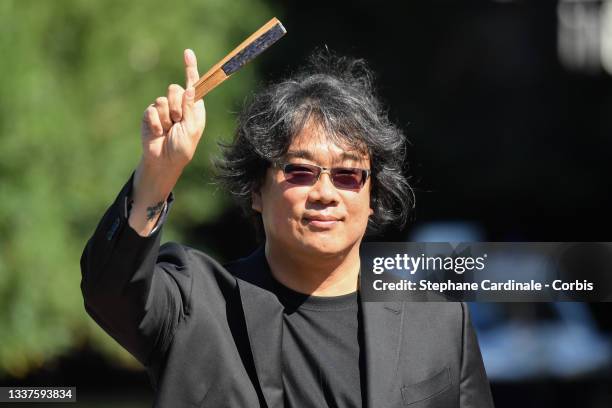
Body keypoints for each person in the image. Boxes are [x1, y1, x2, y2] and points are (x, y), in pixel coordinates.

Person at [81, 48, 494, 408]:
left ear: (373, 199)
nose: (325, 193)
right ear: (256, 192)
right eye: (300, 171)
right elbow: (108, 290)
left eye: (348, 175)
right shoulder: (197, 304)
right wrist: (158, 172)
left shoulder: (440, 323)